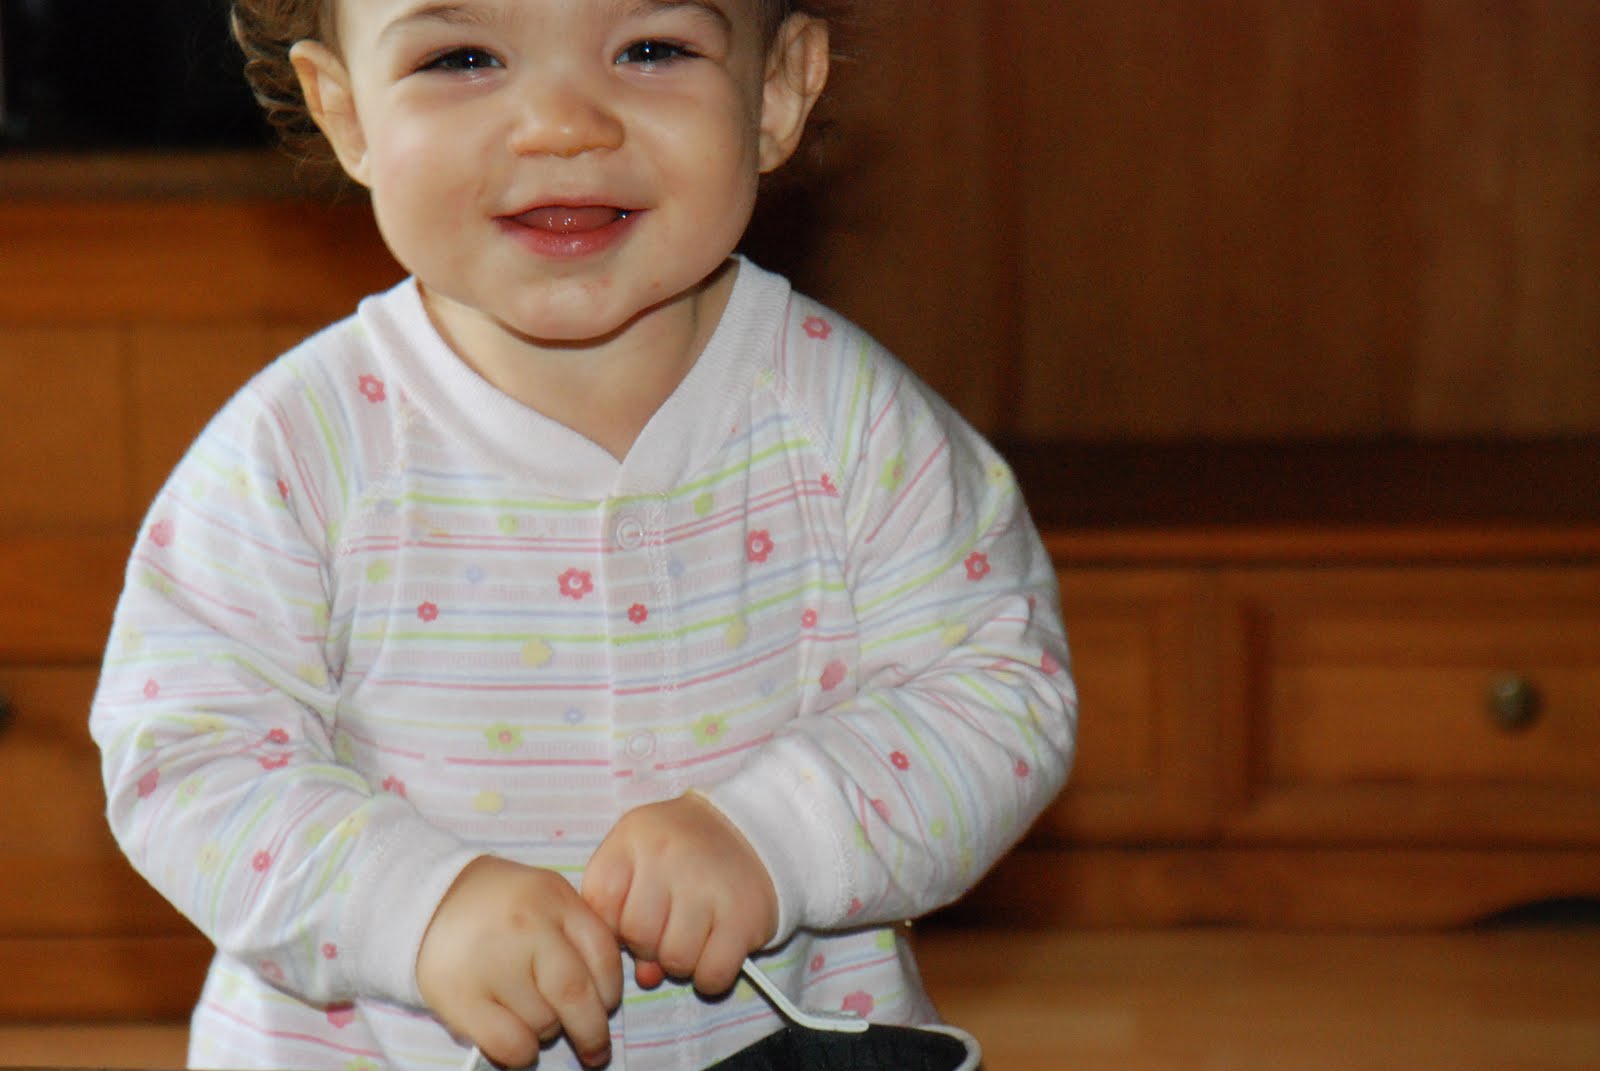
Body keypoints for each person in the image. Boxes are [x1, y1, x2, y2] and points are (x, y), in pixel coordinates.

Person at [89, 0, 1078, 1068]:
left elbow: (997, 694)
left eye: (652, 49)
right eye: (461, 57)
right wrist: (415, 906)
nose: (563, 125)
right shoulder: (293, 456)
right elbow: (188, 761)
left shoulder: (858, 428)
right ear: (347, 113)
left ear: (778, 88)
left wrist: (777, 834)